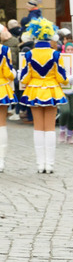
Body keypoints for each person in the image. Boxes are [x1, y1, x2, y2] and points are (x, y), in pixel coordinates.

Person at [19, 18, 67, 173]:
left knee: (38, 127)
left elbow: (24, 78)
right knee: (50, 127)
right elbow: (62, 77)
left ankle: (40, 165)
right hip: (52, 90)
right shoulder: (56, 54)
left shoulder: (28, 54)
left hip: (34, 90)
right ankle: (50, 164)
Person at [0, 31, 14, 171]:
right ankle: (1, 161)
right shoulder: (4, 49)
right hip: (1, 87)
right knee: (1, 123)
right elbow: (8, 72)